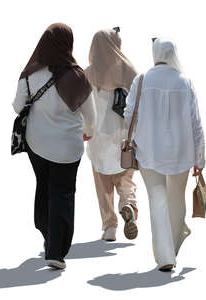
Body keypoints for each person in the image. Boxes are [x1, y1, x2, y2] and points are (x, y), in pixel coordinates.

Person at [12, 23, 96, 270]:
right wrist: (87, 133)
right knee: (63, 192)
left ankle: (47, 234)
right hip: (69, 147)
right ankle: (56, 251)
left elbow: (18, 107)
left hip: (37, 144)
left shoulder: (30, 73)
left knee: (44, 185)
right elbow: (91, 117)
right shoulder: (78, 76)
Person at [124, 38, 205, 271]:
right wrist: (200, 159)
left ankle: (165, 255)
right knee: (177, 200)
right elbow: (196, 123)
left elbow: (129, 114)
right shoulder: (185, 82)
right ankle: (174, 244)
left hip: (148, 151)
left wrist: (136, 135)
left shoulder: (141, 80)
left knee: (157, 200)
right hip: (181, 152)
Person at [85, 28, 138, 242]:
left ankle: (109, 227)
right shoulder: (129, 70)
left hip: (97, 136)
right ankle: (128, 204)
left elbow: (81, 106)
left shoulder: (88, 73)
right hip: (124, 136)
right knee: (126, 179)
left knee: (102, 183)